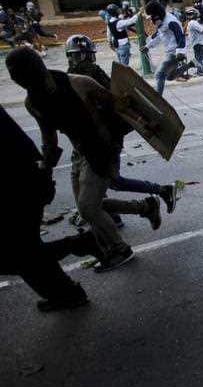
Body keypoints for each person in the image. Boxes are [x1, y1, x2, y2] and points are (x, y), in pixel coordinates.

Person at [7, 48, 163, 273]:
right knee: (88, 207)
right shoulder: (32, 102)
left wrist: (144, 122)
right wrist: (45, 173)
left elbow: (119, 105)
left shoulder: (79, 83)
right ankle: (145, 207)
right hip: (81, 152)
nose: (21, 81)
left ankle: (120, 249)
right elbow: (49, 138)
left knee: (88, 207)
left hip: (103, 147)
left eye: (21, 75)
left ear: (36, 69)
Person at [63, 34, 179, 223]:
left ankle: (159, 193)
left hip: (106, 138)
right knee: (99, 181)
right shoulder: (75, 75)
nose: (79, 60)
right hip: (87, 140)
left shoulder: (92, 75)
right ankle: (112, 215)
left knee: (111, 181)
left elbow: (117, 104)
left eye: (80, 56)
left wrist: (141, 121)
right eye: (77, 56)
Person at [0, 103, 101, 312]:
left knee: (20, 253)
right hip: (24, 179)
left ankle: (77, 254)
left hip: (16, 185)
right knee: (25, 249)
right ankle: (69, 286)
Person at [140, 0, 188, 94]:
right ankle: (191, 64)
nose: (152, 19)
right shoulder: (160, 20)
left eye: (152, 16)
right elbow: (159, 36)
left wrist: (180, 52)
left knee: (159, 74)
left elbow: (180, 36)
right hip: (168, 51)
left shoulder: (170, 21)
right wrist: (148, 46)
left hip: (175, 52)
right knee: (169, 77)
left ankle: (157, 99)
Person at [185, 7, 203, 76]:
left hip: (197, 43)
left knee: (199, 58)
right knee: (198, 59)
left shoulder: (191, 23)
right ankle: (201, 71)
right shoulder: (193, 23)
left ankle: (200, 71)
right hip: (198, 43)